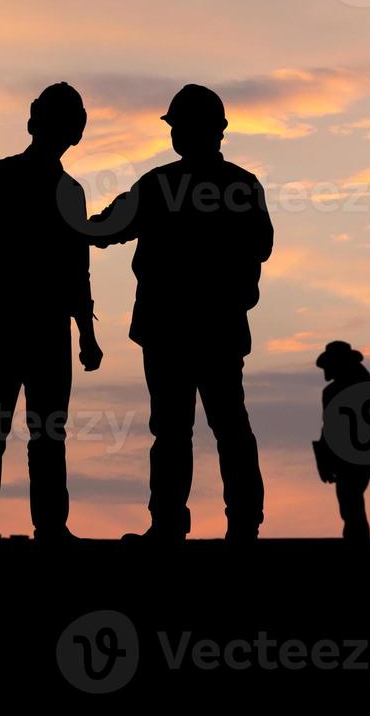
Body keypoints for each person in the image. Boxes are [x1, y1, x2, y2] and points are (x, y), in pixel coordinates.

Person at [91, 84, 272, 543]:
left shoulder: (160, 184)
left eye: (179, 127)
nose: (176, 136)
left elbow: (104, 230)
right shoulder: (241, 185)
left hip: (172, 327)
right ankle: (240, 524)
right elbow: (262, 245)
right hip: (215, 326)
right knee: (227, 425)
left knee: (176, 430)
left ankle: (172, 525)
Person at [0, 82, 102, 544]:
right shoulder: (4, 177)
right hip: (17, 323)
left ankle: (43, 525)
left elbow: (74, 268)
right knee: (0, 422)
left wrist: (85, 332)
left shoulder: (53, 187)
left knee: (38, 428)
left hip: (38, 326)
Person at [313, 341, 370, 541]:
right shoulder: (369, 388)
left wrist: (326, 459)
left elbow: (331, 429)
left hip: (348, 456)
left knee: (350, 503)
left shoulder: (333, 392)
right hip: (366, 455)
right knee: (352, 502)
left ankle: (356, 541)